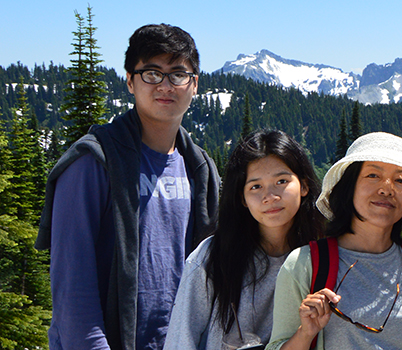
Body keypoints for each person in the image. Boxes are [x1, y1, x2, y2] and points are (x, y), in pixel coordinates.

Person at [36, 23, 220, 350]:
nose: (165, 85)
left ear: (194, 86)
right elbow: (72, 287)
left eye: (178, 74)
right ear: (130, 81)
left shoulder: (200, 169)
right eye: (151, 73)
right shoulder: (93, 162)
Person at [267, 132, 402, 350]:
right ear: (349, 185)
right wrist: (305, 333)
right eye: (373, 175)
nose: (386, 188)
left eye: (400, 180)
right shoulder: (304, 264)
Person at [165, 130, 324, 349]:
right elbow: (180, 339)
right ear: (242, 197)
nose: (270, 196)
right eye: (256, 186)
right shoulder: (214, 255)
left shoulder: (322, 256)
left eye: (282, 181)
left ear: (304, 186)